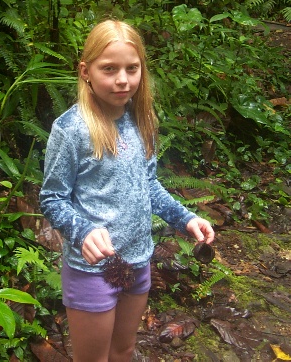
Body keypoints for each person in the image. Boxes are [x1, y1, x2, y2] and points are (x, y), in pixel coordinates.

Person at [39, 19, 215, 362]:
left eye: (131, 68)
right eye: (109, 69)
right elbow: (52, 197)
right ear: (86, 71)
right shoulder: (72, 129)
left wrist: (185, 218)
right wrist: (82, 231)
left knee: (125, 350)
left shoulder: (141, 120)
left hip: (138, 260)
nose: (122, 79)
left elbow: (148, 183)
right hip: (93, 270)